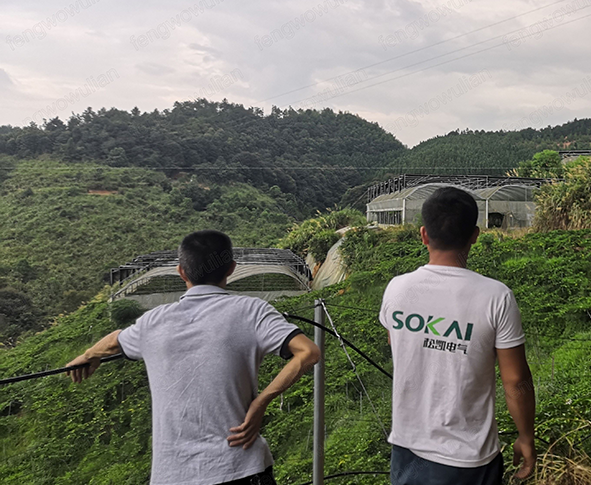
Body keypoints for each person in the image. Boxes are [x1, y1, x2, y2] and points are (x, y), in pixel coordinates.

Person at [67, 230, 320, 485]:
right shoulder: (251, 310)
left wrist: (88, 355)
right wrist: (262, 401)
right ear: (231, 268)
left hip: (172, 475)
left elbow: (113, 341)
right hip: (240, 467)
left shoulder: (152, 322)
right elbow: (308, 353)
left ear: (181, 272)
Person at [379, 186, 536, 484]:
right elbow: (515, 380)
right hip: (468, 458)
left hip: (406, 450)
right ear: (475, 235)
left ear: (424, 234)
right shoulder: (496, 297)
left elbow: (396, 341)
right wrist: (526, 436)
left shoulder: (397, 288)